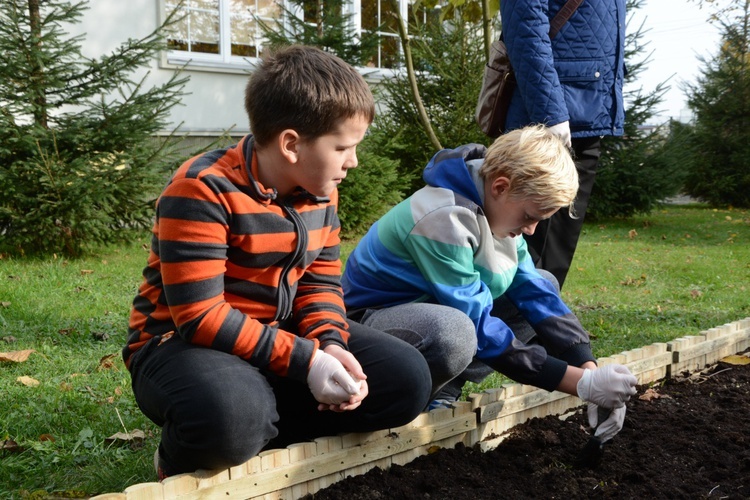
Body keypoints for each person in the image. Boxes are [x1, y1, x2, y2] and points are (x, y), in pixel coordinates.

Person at [122, 45, 432, 479]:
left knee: (406, 380)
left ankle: (265, 431)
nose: (353, 161)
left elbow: (320, 285)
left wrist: (332, 345)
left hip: (274, 334)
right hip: (180, 344)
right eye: (343, 147)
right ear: (291, 144)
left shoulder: (321, 191)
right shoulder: (202, 190)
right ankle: (184, 456)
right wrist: (308, 362)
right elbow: (200, 316)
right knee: (232, 417)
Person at [342, 126, 637, 445]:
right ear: (499, 186)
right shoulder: (443, 218)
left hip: (427, 310)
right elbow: (479, 326)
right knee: (454, 331)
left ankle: (445, 390)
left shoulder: (497, 206)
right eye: (529, 215)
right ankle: (405, 402)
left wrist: (588, 367)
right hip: (366, 327)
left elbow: (535, 292)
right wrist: (578, 384)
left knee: (543, 283)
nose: (532, 229)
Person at [500, 0, 626, 288]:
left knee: (557, 247)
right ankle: (512, 327)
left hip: (586, 112)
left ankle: (542, 322)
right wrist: (551, 114)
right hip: (548, 120)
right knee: (525, 243)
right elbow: (525, 29)